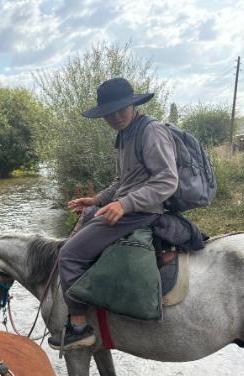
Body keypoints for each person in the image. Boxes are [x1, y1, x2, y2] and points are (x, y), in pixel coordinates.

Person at [48, 77, 178, 350]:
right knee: (87, 219)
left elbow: (167, 180)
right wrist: (96, 200)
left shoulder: (150, 131)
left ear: (133, 105)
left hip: (141, 211)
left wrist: (125, 205)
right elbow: (123, 181)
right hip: (131, 206)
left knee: (69, 254)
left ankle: (79, 326)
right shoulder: (126, 135)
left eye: (122, 109)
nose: (116, 116)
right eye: (110, 112)